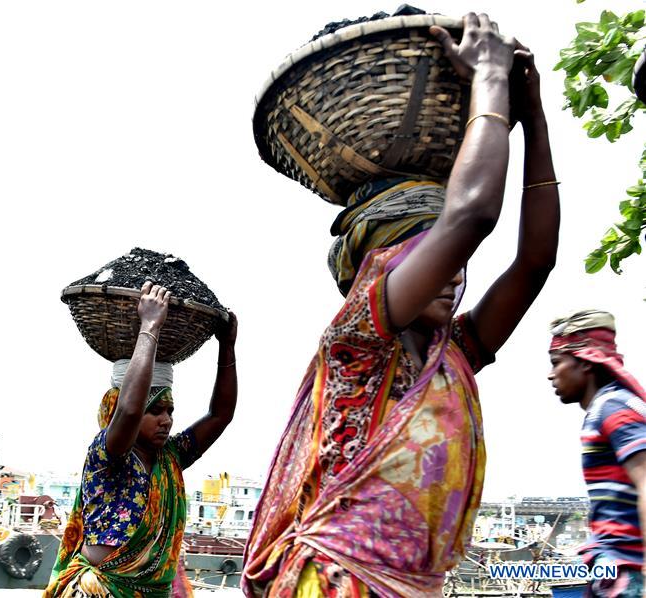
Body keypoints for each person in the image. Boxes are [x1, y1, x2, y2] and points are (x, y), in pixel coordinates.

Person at [243, 13, 561, 597]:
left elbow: (536, 262)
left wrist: (532, 117)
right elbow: (472, 217)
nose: (455, 271)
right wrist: (489, 78)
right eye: (434, 252)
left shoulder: (455, 353)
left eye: (453, 258)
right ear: (380, 263)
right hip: (339, 583)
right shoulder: (360, 336)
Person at [45, 281, 238, 597]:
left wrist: (227, 347)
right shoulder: (108, 452)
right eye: (156, 411)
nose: (166, 420)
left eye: (170, 410)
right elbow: (130, 412)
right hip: (101, 591)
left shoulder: (171, 456)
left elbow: (220, 415)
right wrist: (149, 327)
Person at [548, 310, 646, 598]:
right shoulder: (611, 406)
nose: (551, 374)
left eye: (557, 363)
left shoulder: (613, 407)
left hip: (625, 569)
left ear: (586, 362)